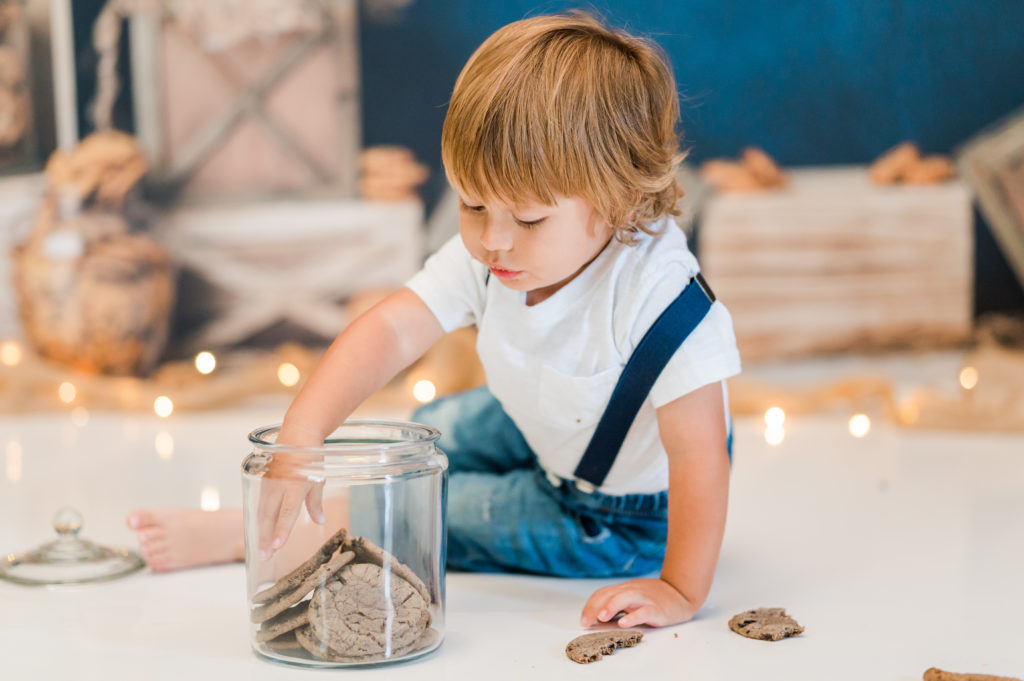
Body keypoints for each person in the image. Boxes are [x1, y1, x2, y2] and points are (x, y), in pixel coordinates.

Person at [127, 10, 741, 630]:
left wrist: (681, 589)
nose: (494, 240)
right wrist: (304, 432)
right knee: (427, 432)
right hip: (549, 420)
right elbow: (392, 329)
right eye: (472, 204)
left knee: (429, 507)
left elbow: (699, 455)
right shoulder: (500, 254)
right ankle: (379, 492)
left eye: (528, 220)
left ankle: (251, 537)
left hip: (616, 512)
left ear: (619, 200)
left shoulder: (661, 302)